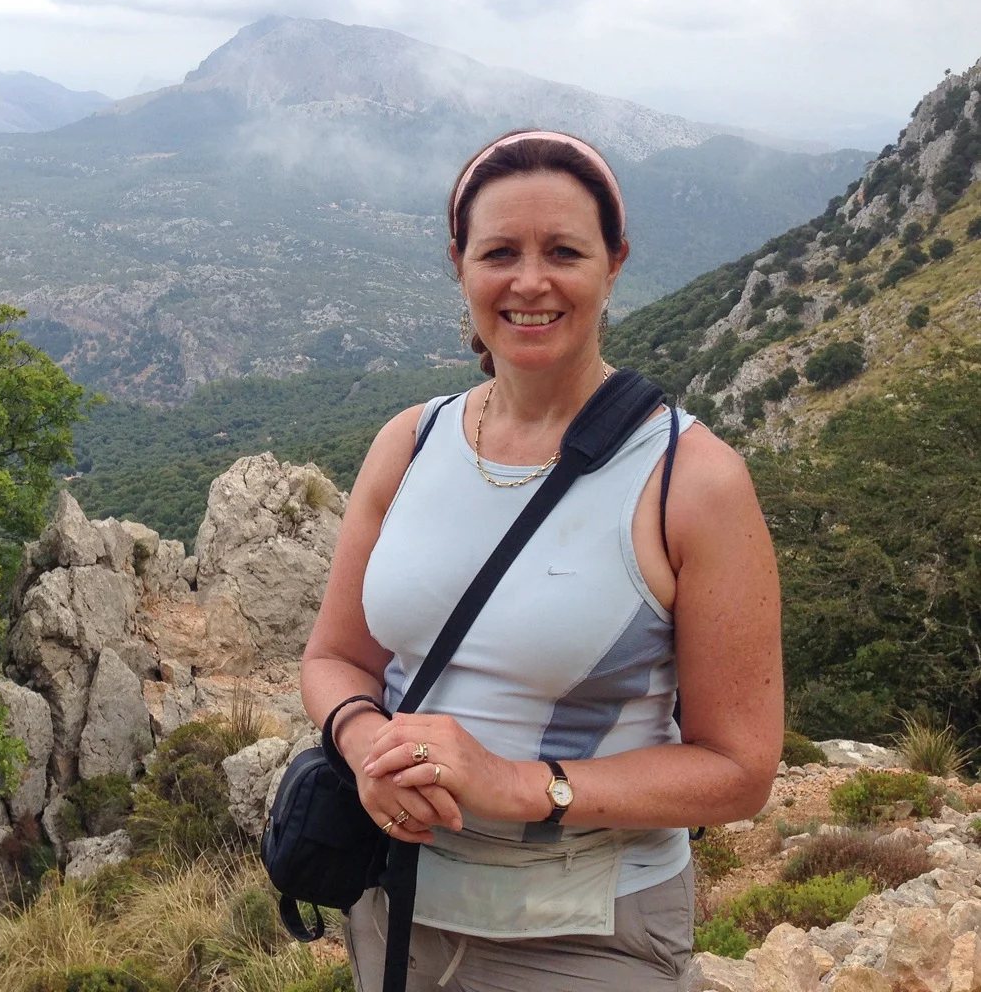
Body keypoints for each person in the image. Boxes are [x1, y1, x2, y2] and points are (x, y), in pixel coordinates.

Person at [300, 129, 783, 991]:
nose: (530, 282)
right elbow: (337, 658)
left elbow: (739, 770)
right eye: (499, 253)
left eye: (564, 251)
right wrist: (366, 740)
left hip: (588, 925)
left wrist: (523, 787)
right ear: (459, 265)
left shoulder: (690, 480)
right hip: (396, 902)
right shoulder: (408, 445)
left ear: (614, 263)